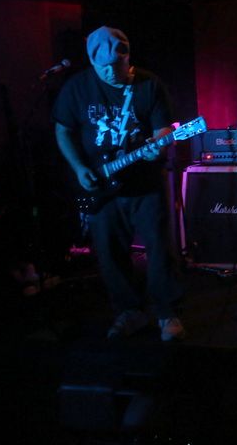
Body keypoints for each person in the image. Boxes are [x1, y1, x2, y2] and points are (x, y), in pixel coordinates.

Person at [53, 26, 185, 341]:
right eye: (104, 67)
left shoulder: (148, 84)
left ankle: (167, 313)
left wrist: (157, 147)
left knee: (159, 248)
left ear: (127, 58)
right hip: (100, 184)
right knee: (109, 252)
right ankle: (129, 311)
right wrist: (79, 168)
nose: (111, 72)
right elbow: (63, 130)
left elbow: (164, 130)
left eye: (118, 65)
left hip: (145, 183)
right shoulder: (77, 87)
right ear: (92, 61)